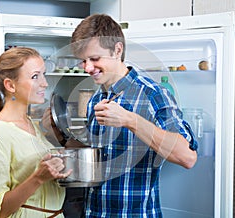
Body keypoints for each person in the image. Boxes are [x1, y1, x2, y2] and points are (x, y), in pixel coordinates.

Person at [71, 14, 198, 217]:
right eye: (83, 61)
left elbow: (187, 157)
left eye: (94, 59)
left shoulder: (153, 94)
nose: (87, 68)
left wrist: (130, 120)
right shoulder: (95, 99)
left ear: (117, 49)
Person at [0, 47, 72, 218]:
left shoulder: (30, 123)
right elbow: (0, 210)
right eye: (35, 76)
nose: (45, 83)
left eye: (44, 74)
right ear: (10, 85)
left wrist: (54, 136)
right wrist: (38, 178)